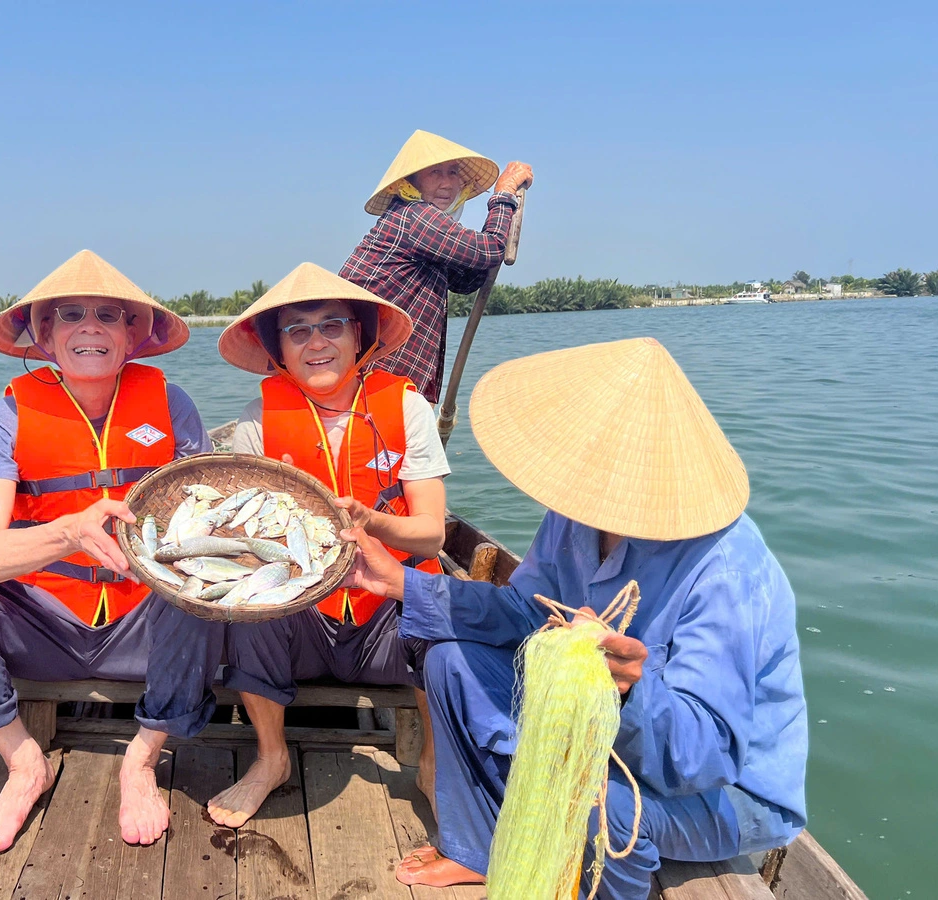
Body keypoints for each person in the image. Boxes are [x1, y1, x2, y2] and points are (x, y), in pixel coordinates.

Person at [343, 337, 808, 898]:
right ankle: (478, 847)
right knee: (450, 661)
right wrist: (396, 581)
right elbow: (521, 609)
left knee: (587, 800)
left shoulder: (729, 568)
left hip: (723, 793)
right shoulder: (577, 511)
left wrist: (631, 691)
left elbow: (707, 757)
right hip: (603, 736)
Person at [0, 250, 224, 853]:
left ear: (132, 335)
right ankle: (24, 764)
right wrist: (69, 532)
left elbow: (204, 518)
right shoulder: (4, 417)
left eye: (107, 315)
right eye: (70, 314)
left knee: (204, 592)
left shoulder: (173, 407)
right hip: (42, 627)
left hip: (144, 628)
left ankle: (142, 760)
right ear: (44, 335)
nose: (89, 327)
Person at [207, 262, 450, 827]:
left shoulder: (407, 406)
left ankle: (434, 766)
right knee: (245, 605)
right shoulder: (258, 421)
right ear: (279, 350)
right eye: (298, 330)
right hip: (302, 618)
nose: (316, 342)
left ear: (358, 334)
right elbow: (241, 544)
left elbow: (434, 532)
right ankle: (271, 759)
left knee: (441, 610)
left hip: (383, 620)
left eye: (332, 325)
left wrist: (376, 522)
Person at [340, 129, 533, 403]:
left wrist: (491, 239)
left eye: (453, 173)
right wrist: (504, 195)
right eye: (435, 173)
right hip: (372, 382)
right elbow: (488, 250)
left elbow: (467, 280)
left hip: (397, 382)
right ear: (411, 184)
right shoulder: (414, 216)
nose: (447, 183)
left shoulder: (427, 227)